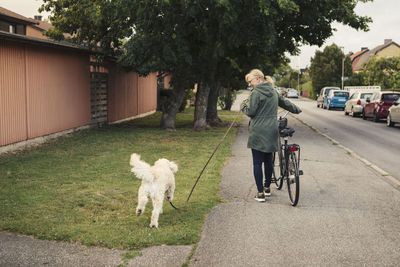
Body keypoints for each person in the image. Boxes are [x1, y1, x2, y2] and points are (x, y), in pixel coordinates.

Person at [240, 69, 302, 202]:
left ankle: (260, 193)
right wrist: (297, 110)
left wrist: (243, 105)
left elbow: (250, 111)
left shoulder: (256, 93)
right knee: (268, 161)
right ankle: (267, 187)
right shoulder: (273, 91)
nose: (250, 84)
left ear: (258, 79)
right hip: (271, 131)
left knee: (257, 162)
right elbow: (286, 103)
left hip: (258, 131)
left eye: (250, 81)